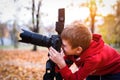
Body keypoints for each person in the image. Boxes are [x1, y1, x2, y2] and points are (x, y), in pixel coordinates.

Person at [48, 21, 120, 80]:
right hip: (96, 69)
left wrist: (62, 64)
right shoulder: (78, 47)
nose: (61, 47)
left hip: (114, 71)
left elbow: (76, 78)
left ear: (78, 50)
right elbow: (67, 62)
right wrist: (58, 62)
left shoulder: (93, 59)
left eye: (64, 45)